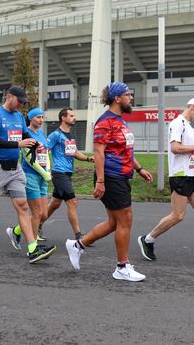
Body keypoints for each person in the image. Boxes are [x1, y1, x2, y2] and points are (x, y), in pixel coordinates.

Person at [65, 82, 153, 282]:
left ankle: (77, 245)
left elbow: (124, 151)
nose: (131, 98)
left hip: (121, 175)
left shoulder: (120, 121)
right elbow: (99, 153)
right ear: (117, 98)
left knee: (114, 222)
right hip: (111, 176)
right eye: (127, 94)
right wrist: (101, 181)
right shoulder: (105, 122)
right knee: (125, 220)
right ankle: (122, 267)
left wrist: (139, 169)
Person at [0, 86, 56, 263]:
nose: (21, 106)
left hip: (15, 169)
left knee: (22, 206)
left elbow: (26, 137)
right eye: (19, 101)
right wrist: (18, 145)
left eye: (23, 103)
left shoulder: (18, 116)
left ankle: (32, 249)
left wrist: (35, 145)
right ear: (9, 97)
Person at [137, 98, 194, 266]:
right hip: (180, 175)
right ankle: (147, 239)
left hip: (193, 174)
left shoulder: (190, 127)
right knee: (177, 216)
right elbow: (175, 148)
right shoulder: (177, 123)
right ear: (193, 107)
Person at [42, 108, 93, 240]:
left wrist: (88, 159)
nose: (74, 118)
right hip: (59, 173)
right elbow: (44, 150)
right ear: (63, 118)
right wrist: (45, 170)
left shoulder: (71, 135)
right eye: (71, 115)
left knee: (55, 204)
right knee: (72, 202)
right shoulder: (55, 135)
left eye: (74, 115)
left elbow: (75, 153)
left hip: (67, 173)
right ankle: (78, 235)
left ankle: (37, 225)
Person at [5, 107, 52, 246]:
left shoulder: (42, 133)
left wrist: (48, 171)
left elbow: (46, 154)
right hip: (31, 175)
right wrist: (43, 173)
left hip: (43, 177)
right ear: (31, 118)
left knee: (44, 214)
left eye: (43, 117)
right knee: (36, 212)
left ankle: (16, 231)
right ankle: (33, 245)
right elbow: (27, 156)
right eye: (38, 117)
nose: (41, 120)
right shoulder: (26, 133)